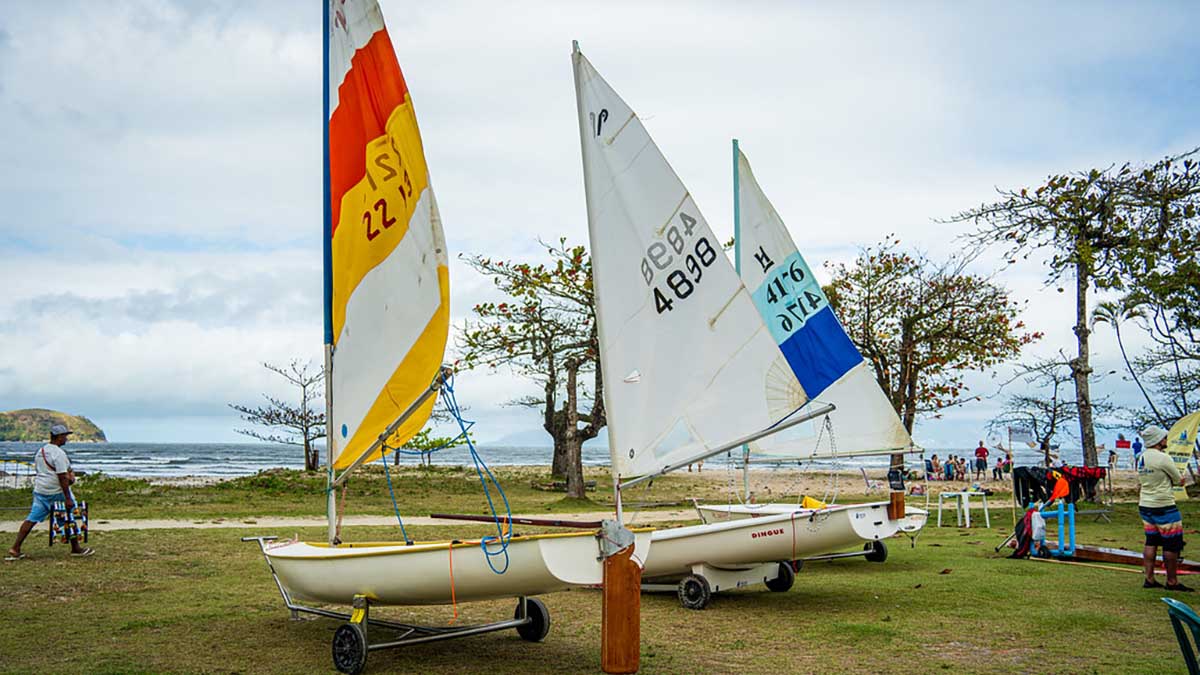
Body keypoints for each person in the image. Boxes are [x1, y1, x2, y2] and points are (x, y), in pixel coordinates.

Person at [6, 424, 94, 561]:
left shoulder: (41, 451)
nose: (66, 439)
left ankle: (15, 548)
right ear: (59, 437)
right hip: (56, 491)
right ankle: (76, 548)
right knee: (69, 516)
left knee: (32, 518)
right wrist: (68, 497)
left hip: (41, 490)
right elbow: (62, 476)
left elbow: (41, 470)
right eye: (65, 436)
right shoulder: (58, 454)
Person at [1136, 425, 1190, 592]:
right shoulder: (1163, 458)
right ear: (1158, 441)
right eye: (1164, 438)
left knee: (1151, 541)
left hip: (1145, 503)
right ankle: (1172, 581)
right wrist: (1182, 480)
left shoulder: (1142, 457)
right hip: (1164, 504)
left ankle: (1149, 578)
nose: (1166, 440)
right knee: (1171, 544)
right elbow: (1178, 480)